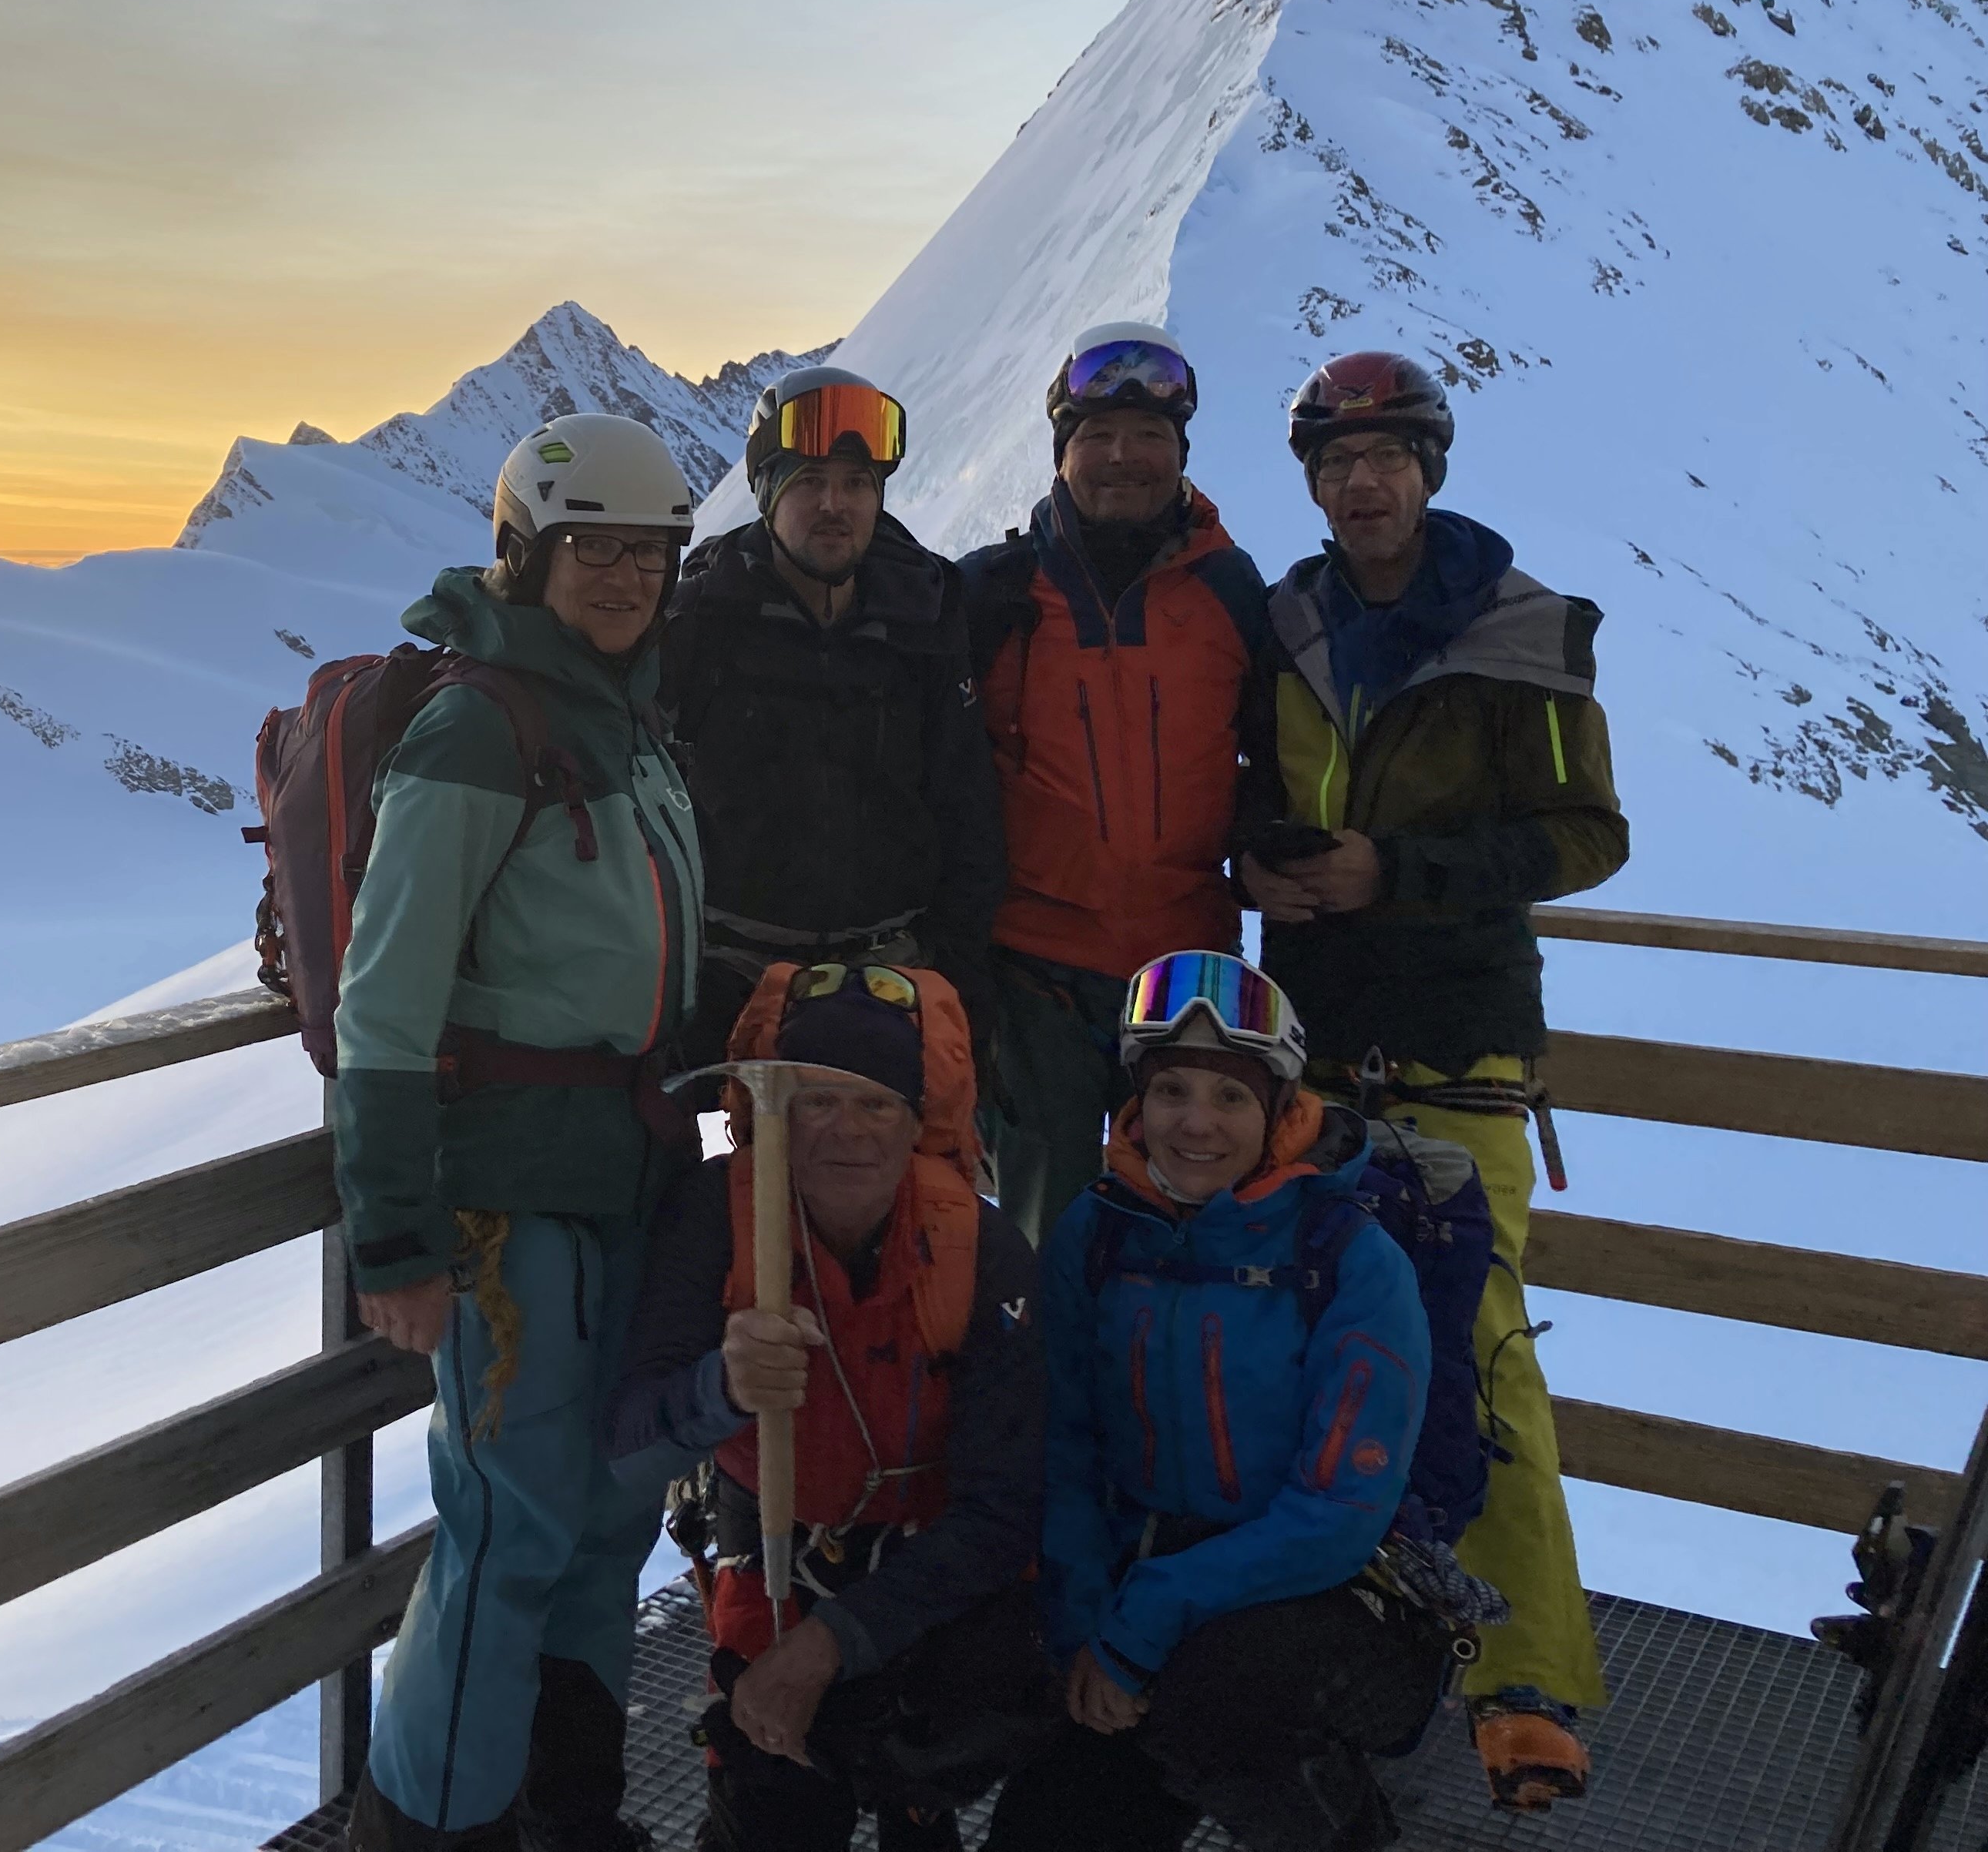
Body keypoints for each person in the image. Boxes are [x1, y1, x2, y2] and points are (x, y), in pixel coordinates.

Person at [1237, 350, 1629, 1808]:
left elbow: (1584, 833)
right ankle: (1329, 1648)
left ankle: (1523, 1679)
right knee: (1311, 1350)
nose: (1363, 482)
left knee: (1475, 1349)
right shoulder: (1284, 627)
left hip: (1458, 1046)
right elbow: (1246, 784)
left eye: (1388, 456)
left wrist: (1394, 870)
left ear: (1431, 465)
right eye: (1338, 464)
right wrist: (1261, 850)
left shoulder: (1521, 630)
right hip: (1314, 1041)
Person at [334, 412, 707, 1852]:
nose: (622, 577)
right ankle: (430, 1824)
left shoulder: (622, 711)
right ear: (526, 552)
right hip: (500, 1204)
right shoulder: (481, 726)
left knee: (610, 1510)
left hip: (622, 1176)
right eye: (591, 548)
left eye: (647, 551)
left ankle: (565, 1803)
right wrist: (395, 1234)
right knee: (511, 1525)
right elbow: (384, 1003)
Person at [984, 951, 1450, 1852]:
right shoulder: (1096, 1231)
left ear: (1277, 1110)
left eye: (1231, 1097)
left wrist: (1139, 1625)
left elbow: (1338, 1515)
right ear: (1137, 1101)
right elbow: (1068, 1447)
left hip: (1335, 1595)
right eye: (1172, 1092)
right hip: (1139, 1581)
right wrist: (1086, 1636)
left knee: (1220, 1711)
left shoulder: (1349, 1256)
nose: (1196, 1124)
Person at [608, 961, 1051, 1852]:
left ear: (915, 1119)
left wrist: (832, 1648)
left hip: (935, 1566)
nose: (847, 1131)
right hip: (774, 1549)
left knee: (940, 1727)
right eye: (815, 1100)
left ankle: (911, 1798)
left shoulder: (978, 1247)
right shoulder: (715, 1216)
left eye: (877, 1103)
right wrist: (719, 1389)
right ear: (774, 1114)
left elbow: (1008, 1509)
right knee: (773, 1784)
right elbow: (627, 1441)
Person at [954, 324, 1273, 1250]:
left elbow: (1276, 760)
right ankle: (1041, 1398)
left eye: (1149, 436)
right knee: (1039, 1241)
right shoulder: (996, 596)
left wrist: (1263, 842)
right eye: (1098, 436)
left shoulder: (1233, 591)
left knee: (1187, 1234)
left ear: (1181, 453)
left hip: (1186, 979)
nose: (1124, 458)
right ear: (1062, 454)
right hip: (1034, 978)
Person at [663, 363, 1007, 1068]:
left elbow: (965, 803)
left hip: (890, 980)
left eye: (856, 484)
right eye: (810, 482)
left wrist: (959, 977)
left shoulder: (926, 615)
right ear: (766, 493)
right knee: (716, 1179)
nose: (835, 504)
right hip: (724, 982)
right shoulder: (702, 617)